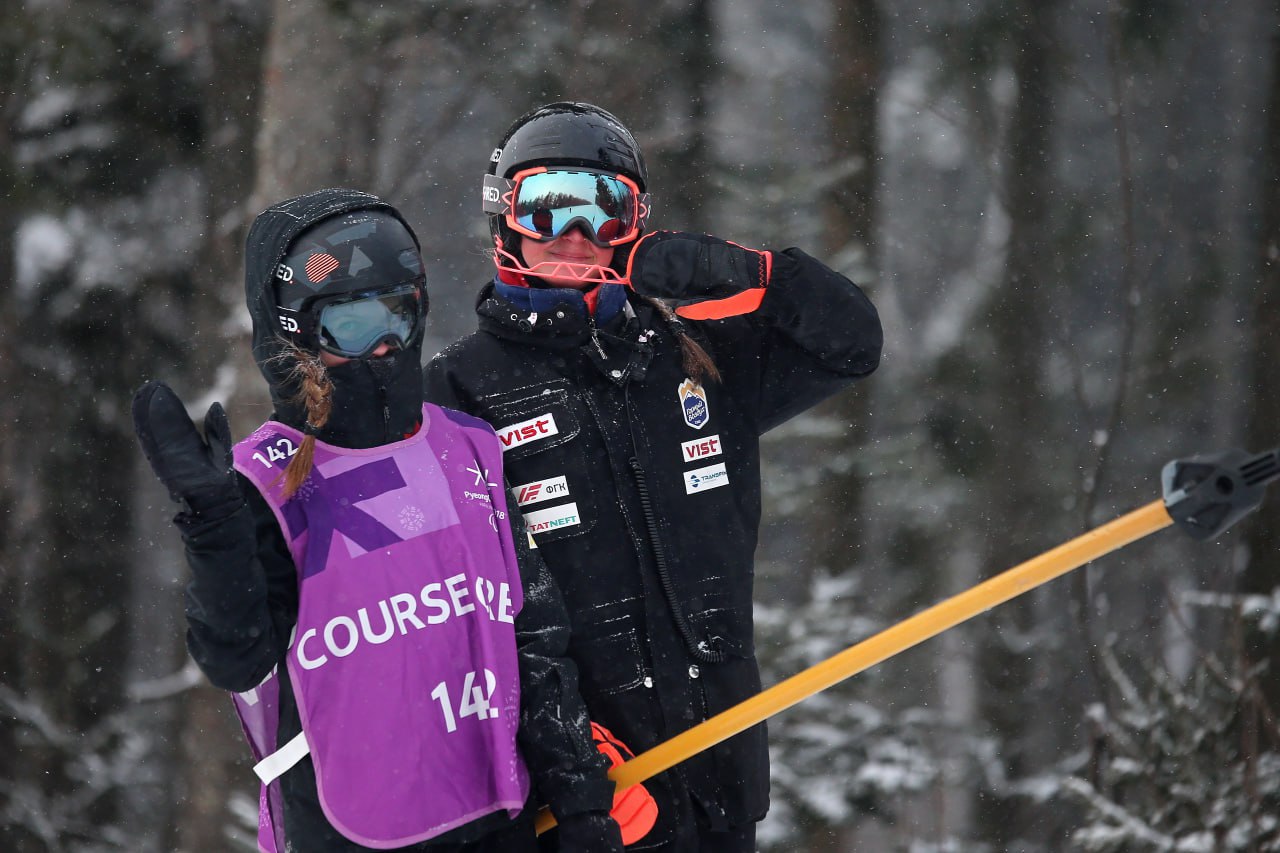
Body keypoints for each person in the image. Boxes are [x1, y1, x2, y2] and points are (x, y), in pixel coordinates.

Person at [424, 103, 884, 851]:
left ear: (635, 223)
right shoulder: (454, 398)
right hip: (589, 806)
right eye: (548, 205)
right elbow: (456, 625)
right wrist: (562, 753)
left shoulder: (694, 361)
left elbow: (851, 342)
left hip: (722, 781)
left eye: (605, 209)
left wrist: (744, 271)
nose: (576, 236)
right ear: (505, 218)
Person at [131, 188, 624, 852]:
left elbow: (533, 638)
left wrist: (583, 802)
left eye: (398, 315)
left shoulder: (467, 446)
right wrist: (215, 524)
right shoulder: (263, 482)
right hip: (351, 828)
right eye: (354, 326)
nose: (387, 348)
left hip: (496, 819)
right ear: (295, 331)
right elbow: (235, 655)